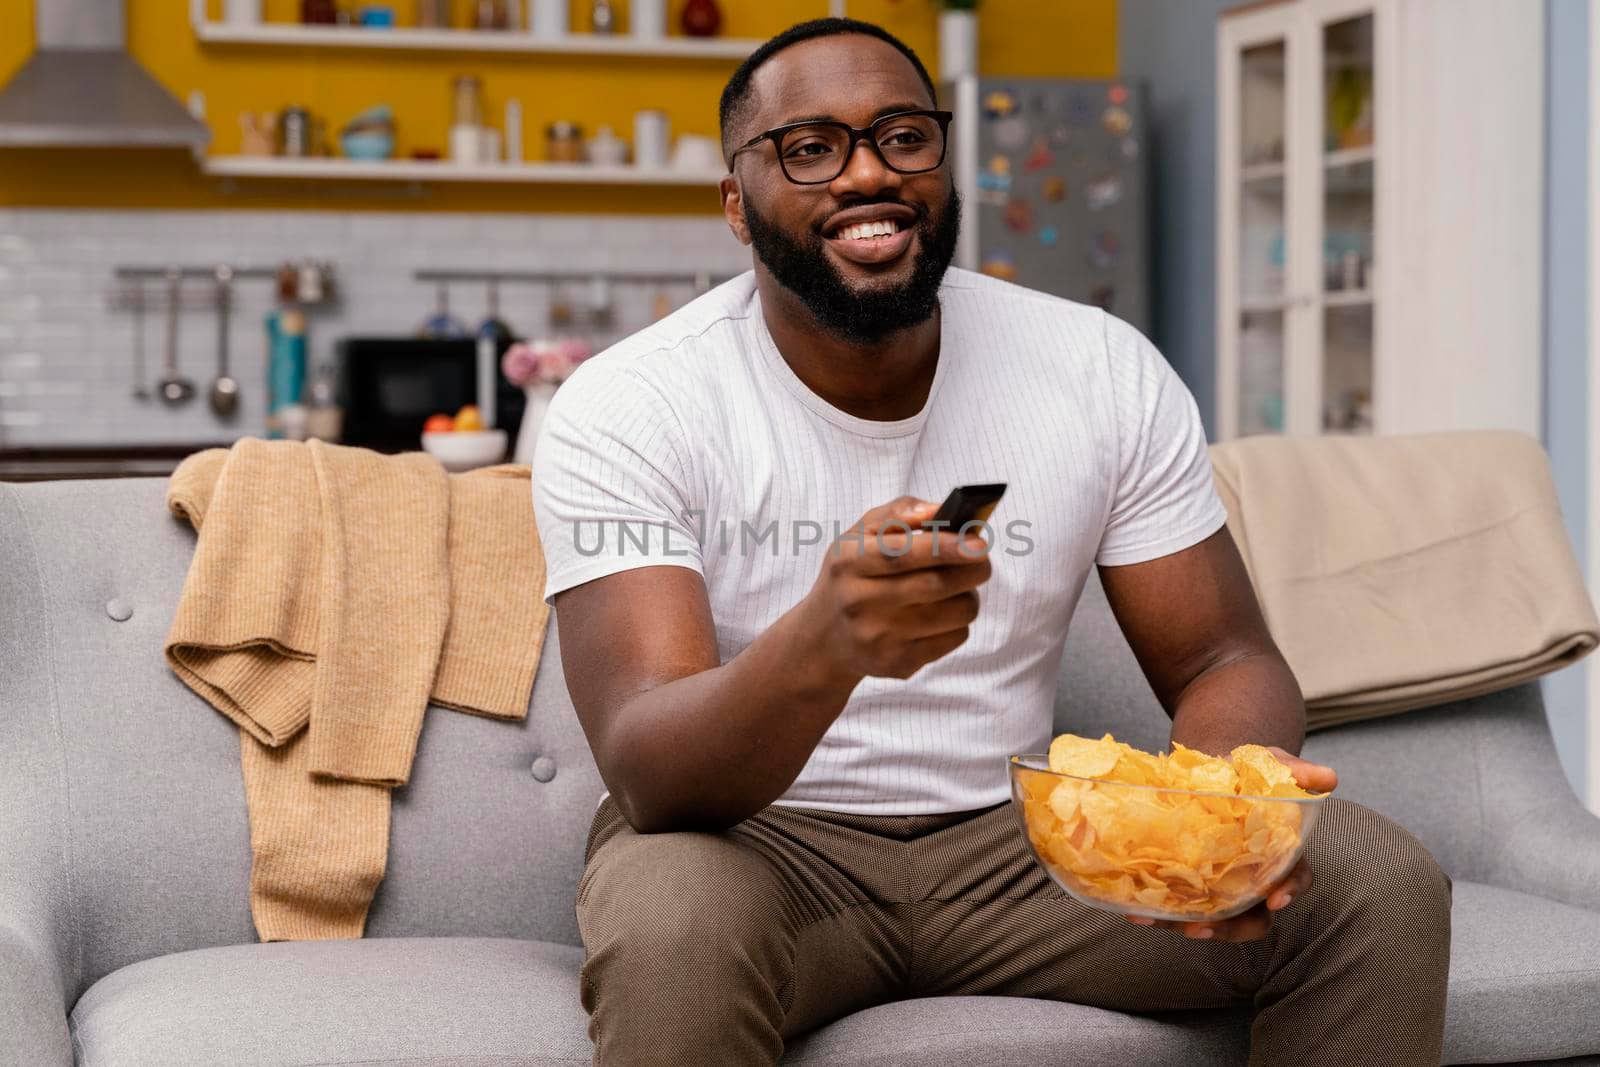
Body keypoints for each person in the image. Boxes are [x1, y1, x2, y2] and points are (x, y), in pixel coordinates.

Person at [531, 17, 1451, 1066]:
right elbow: (653, 772)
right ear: (737, 204)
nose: (868, 172)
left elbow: (1222, 656)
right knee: (672, 930)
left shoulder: (1096, 367)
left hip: (1023, 843)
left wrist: (1205, 821)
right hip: (751, 848)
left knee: (1376, 882)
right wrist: (825, 645)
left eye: (903, 135)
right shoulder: (631, 401)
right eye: (811, 147)